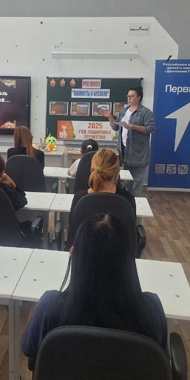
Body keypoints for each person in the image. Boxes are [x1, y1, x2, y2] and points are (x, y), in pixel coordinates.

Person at [21, 214, 168, 361]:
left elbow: (29, 348)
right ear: (129, 258)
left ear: (73, 253)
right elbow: (160, 358)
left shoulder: (49, 306)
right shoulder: (152, 309)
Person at [103, 86, 155, 197]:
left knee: (137, 180)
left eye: (132, 96)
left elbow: (150, 128)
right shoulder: (124, 111)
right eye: (128, 96)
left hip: (138, 152)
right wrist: (110, 118)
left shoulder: (145, 112)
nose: (129, 98)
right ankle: (128, 200)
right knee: (127, 179)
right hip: (124, 151)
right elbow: (116, 127)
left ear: (139, 98)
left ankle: (134, 201)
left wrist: (133, 127)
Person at [70, 149, 136, 217]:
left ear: (91, 170)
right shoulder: (127, 199)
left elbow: (72, 223)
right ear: (117, 172)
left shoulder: (78, 198)